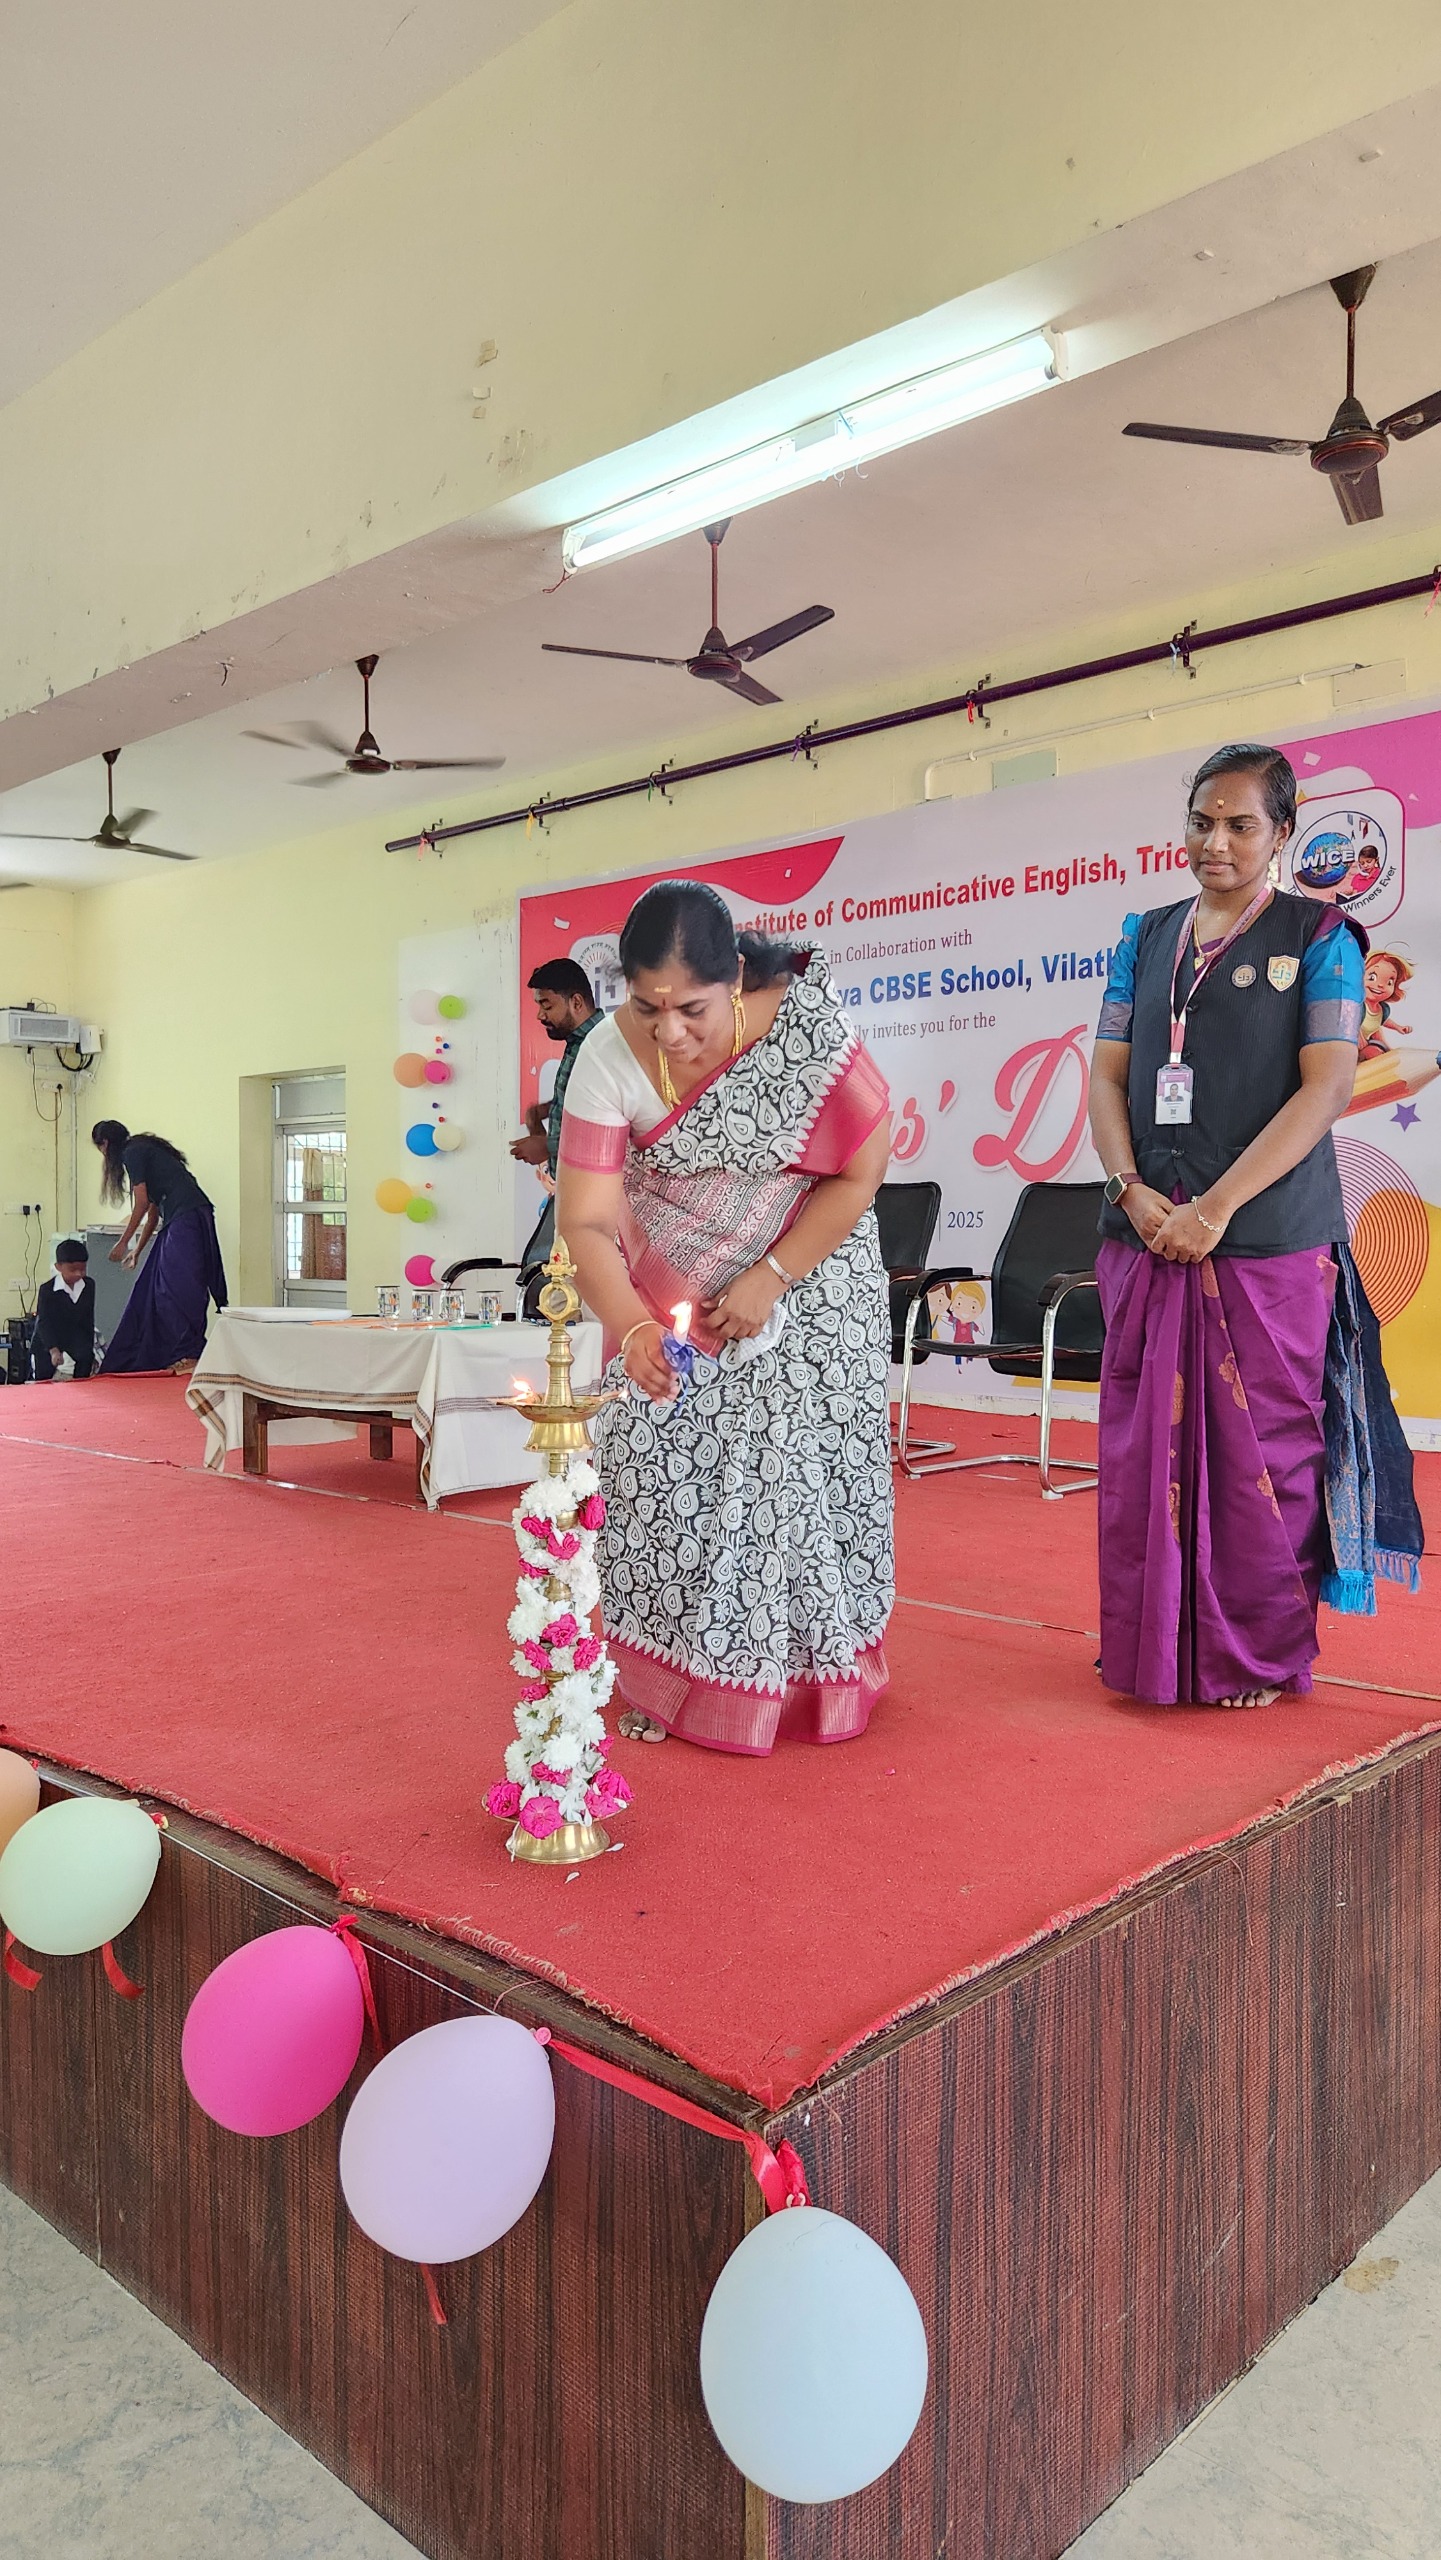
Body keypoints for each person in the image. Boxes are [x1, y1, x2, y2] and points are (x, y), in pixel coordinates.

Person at [1089, 742, 1421, 1712]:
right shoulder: (1142, 937)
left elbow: (1325, 1086)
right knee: (1140, 1454)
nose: (1215, 841)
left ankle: (1255, 1658)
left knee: (1265, 1456)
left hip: (1266, 1240)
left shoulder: (1321, 937)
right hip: (1145, 1235)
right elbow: (1107, 1076)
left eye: (1239, 823)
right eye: (1202, 820)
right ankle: (1145, 1648)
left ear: (1281, 831)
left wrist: (1216, 1207)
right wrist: (1129, 1189)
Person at [557, 878, 894, 1753]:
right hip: (668, 1292)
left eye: (692, 1008)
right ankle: (668, 1680)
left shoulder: (809, 1031)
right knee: (662, 1479)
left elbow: (859, 1174)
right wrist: (632, 1326)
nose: (670, 1031)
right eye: (646, 1006)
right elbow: (587, 1218)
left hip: (814, 1275)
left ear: (736, 977)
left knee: (805, 1481)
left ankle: (809, 1681)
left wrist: (772, 1276)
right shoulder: (605, 1054)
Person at [92, 1121, 228, 1374]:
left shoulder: (131, 1153)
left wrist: (122, 1242)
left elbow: (141, 1204)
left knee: (177, 1288)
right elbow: (153, 1213)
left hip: (186, 1217)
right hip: (185, 1217)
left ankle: (188, 1352)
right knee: (155, 1286)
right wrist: (137, 1250)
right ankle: (178, 1351)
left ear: (106, 1144)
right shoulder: (145, 1150)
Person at [511, 960, 604, 1279]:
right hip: (572, 1191)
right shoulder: (579, 1043)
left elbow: (611, 1128)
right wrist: (546, 1111)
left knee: (581, 1303)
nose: (539, 1015)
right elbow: (587, 1101)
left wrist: (548, 1145)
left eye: (546, 1005)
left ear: (576, 1002)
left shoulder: (604, 1045)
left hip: (598, 1202)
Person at [30, 1239, 96, 1381]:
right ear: (58, 1267)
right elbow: (44, 1322)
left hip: (76, 1336)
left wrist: (88, 1348)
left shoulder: (89, 1286)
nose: (78, 1274)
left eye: (82, 1269)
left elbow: (88, 1320)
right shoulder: (47, 1290)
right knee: (44, 1379)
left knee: (84, 1364)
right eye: (73, 1270)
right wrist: (54, 1350)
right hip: (48, 1338)